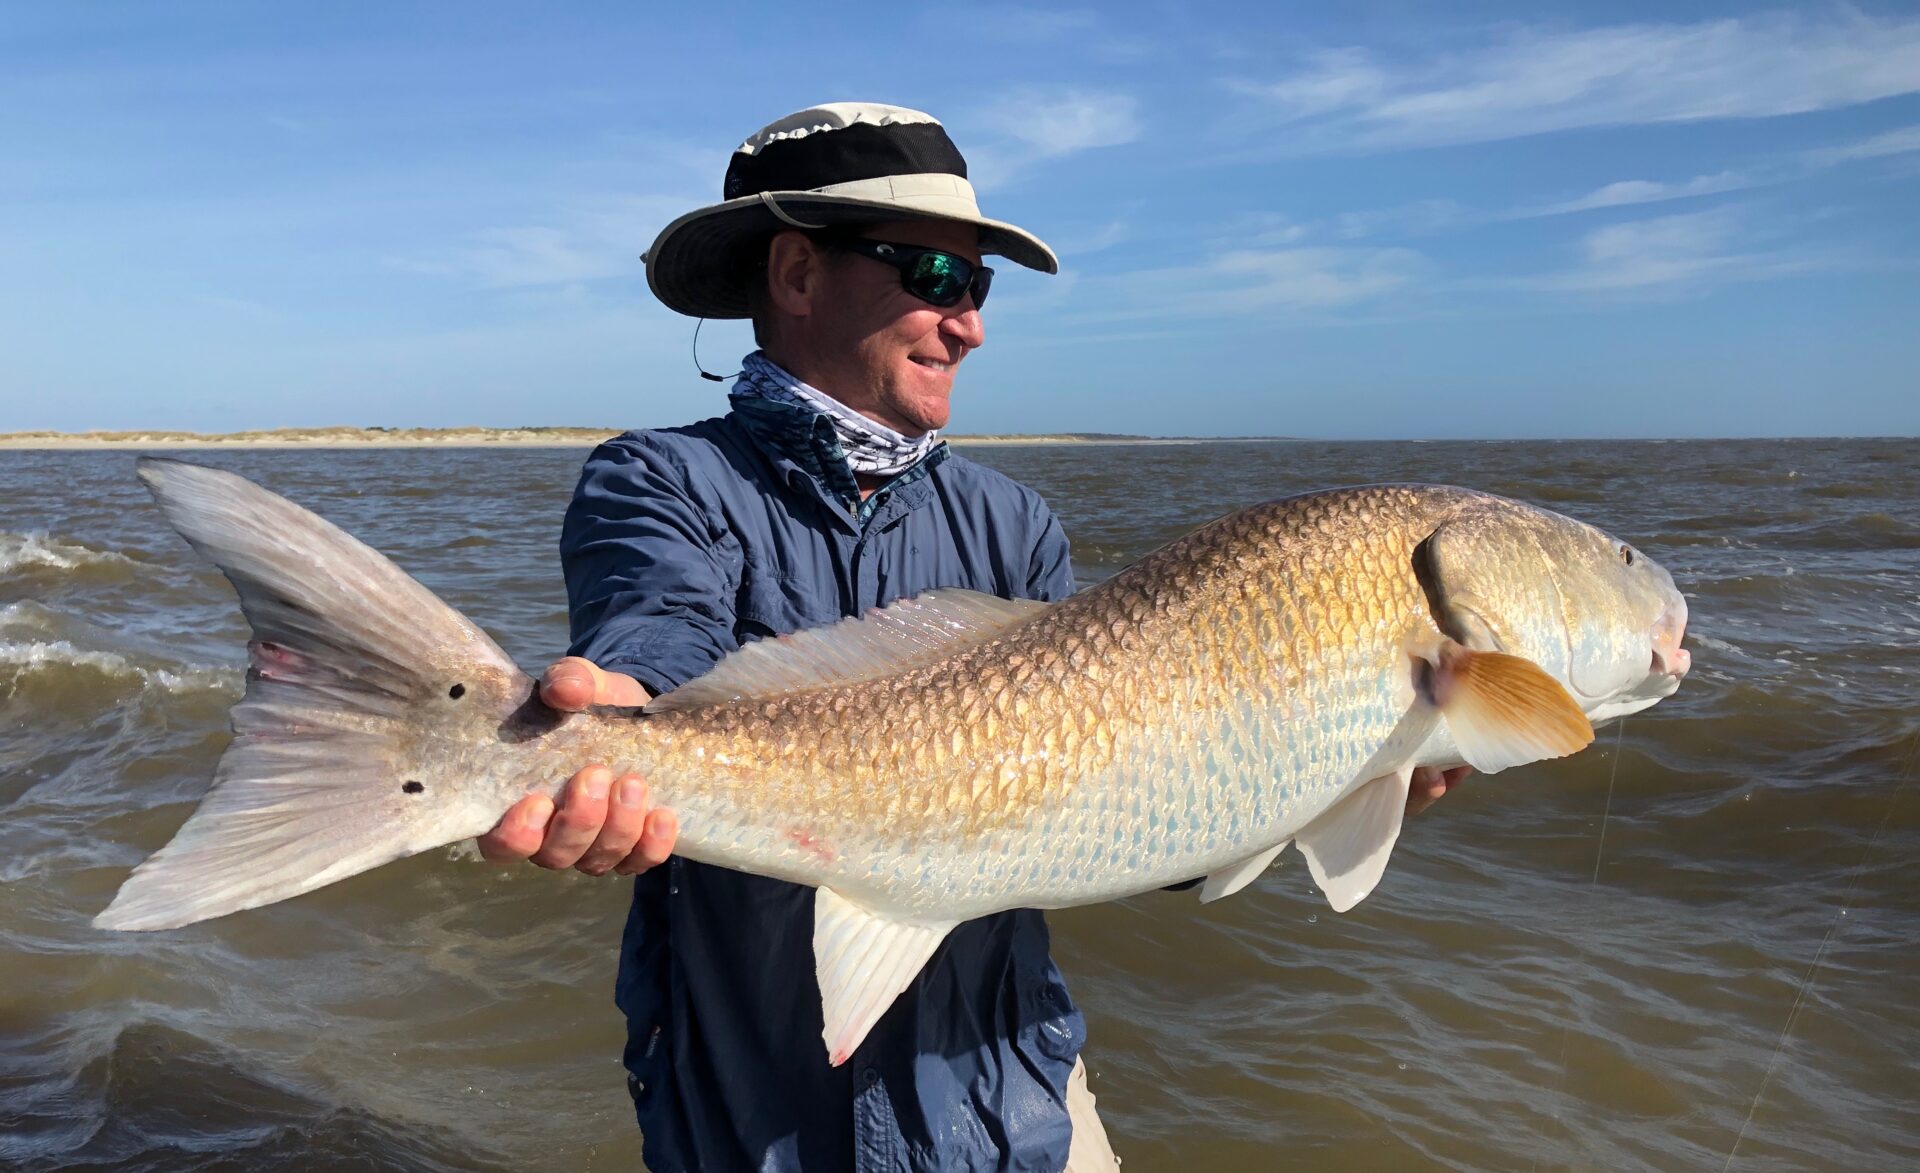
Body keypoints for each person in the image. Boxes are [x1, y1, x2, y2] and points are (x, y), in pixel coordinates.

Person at [477, 102, 1469, 1173]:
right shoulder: (663, 479)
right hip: (751, 1111)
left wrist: (1317, 773)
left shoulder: (1012, 522)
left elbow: (1120, 800)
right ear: (799, 276)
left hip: (1013, 1098)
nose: (972, 327)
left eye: (979, 289)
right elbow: (659, 639)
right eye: (936, 280)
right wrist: (611, 726)